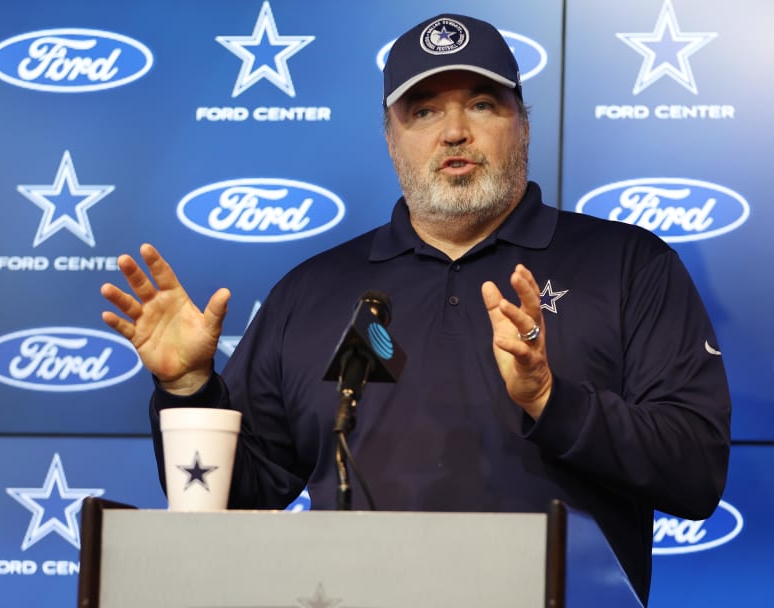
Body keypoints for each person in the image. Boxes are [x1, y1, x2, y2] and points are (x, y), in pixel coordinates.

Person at [100, 13, 730, 605]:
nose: (454, 131)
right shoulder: (313, 289)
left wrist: (549, 400)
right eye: (423, 110)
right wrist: (187, 391)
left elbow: (696, 472)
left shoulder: (627, 265)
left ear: (524, 123)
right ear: (391, 137)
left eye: (482, 104)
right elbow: (239, 499)